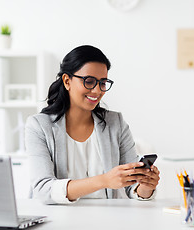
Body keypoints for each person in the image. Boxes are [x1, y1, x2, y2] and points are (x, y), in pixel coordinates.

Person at [25, 45, 160, 204]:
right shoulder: (39, 126)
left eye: (103, 83)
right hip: (58, 222)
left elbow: (133, 188)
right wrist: (104, 180)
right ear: (67, 81)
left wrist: (146, 186)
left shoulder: (115, 123)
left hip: (106, 222)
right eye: (89, 81)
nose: (97, 91)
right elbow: (43, 189)